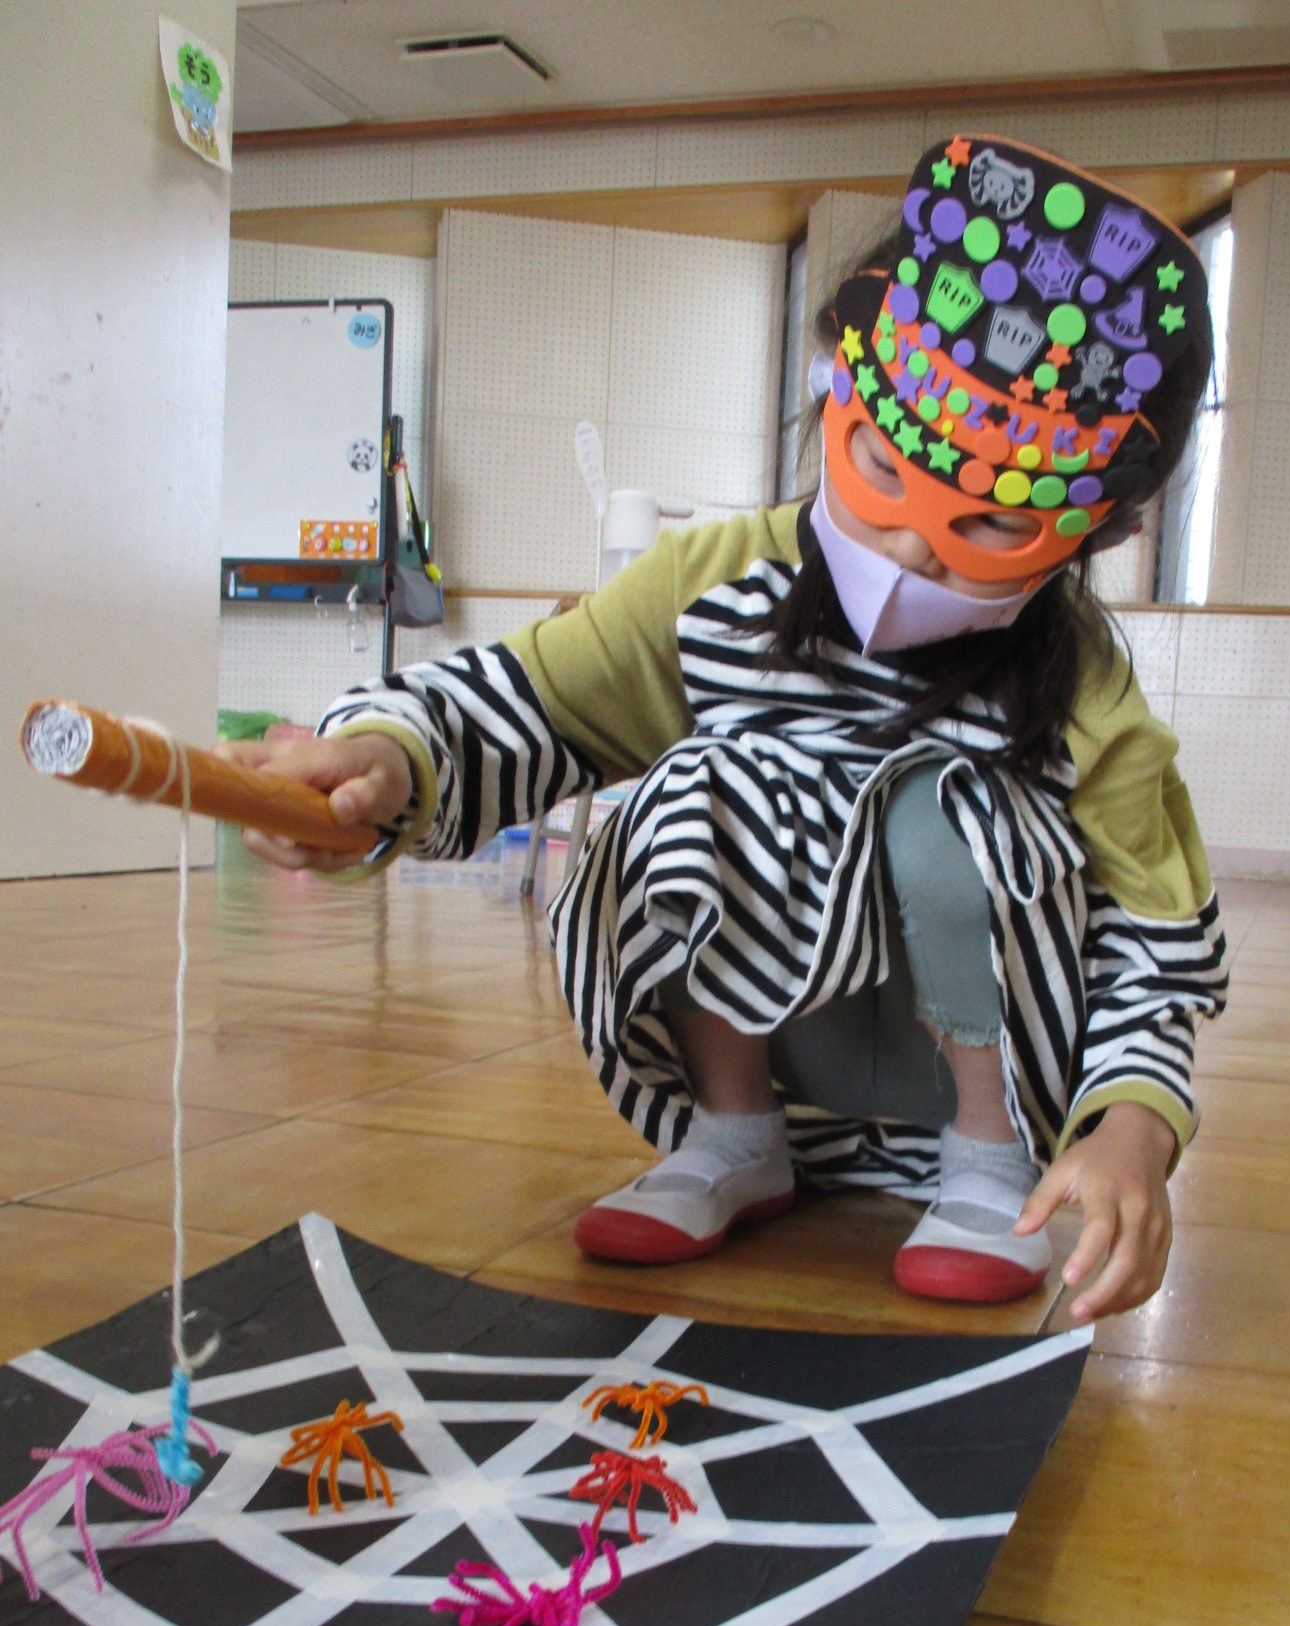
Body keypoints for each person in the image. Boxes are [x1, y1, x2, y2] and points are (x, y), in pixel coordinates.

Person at [226, 134, 1229, 1321]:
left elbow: (1159, 937)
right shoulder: (715, 581)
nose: (912, 548)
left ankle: (983, 1157)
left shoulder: (1081, 684)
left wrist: (1133, 1128)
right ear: (835, 393)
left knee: (934, 808)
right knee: (701, 776)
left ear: (1099, 530)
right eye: (881, 471)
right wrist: (388, 758)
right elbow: (533, 697)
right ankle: (735, 1132)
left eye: (992, 528)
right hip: (790, 1056)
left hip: (988, 1084)